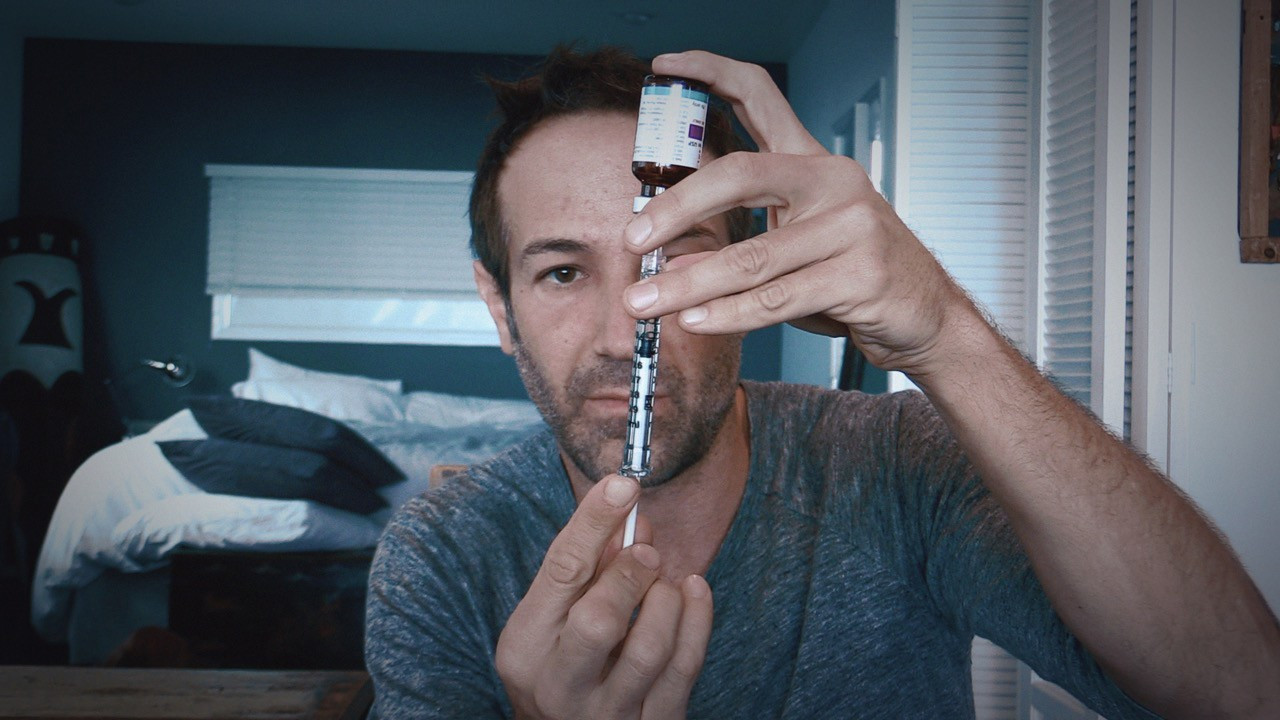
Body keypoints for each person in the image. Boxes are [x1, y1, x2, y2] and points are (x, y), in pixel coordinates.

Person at [364, 46, 1280, 719]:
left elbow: (1242, 692)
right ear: (500, 306)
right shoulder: (438, 556)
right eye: (563, 272)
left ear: (755, 268)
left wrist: (945, 334)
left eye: (679, 260)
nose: (625, 332)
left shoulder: (892, 459)